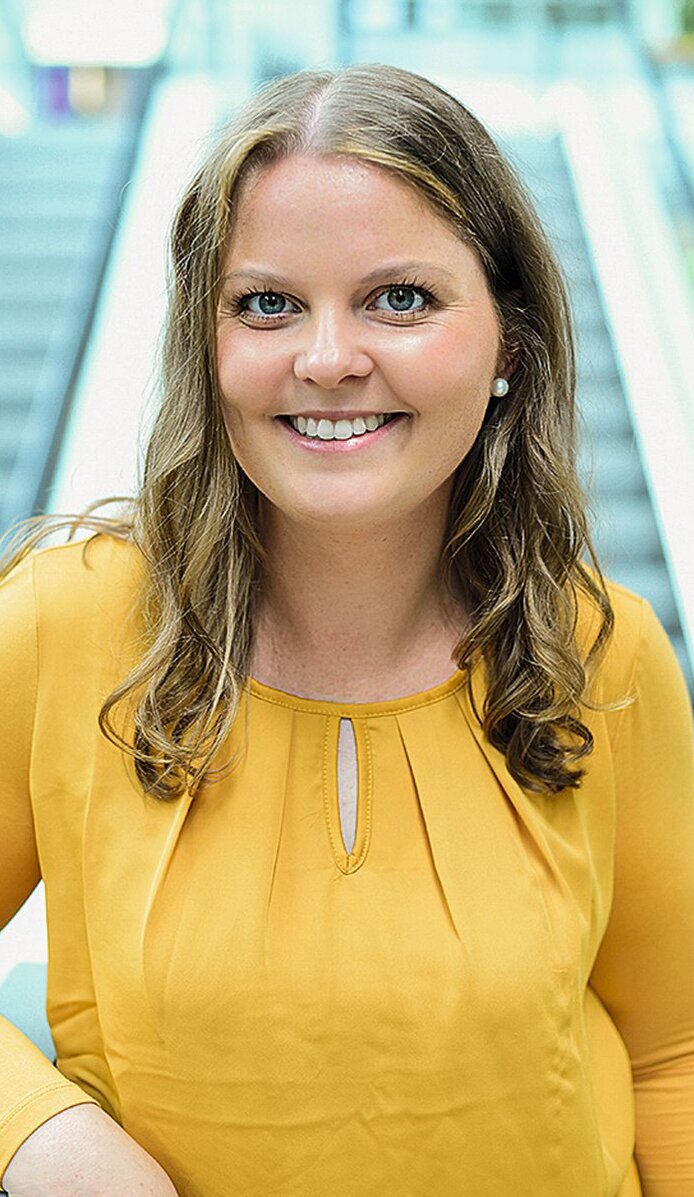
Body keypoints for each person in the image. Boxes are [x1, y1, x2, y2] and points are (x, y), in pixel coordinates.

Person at [0, 61, 692, 1197]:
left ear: (509, 340)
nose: (326, 359)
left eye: (400, 298)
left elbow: (675, 1057)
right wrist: (39, 1133)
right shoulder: (65, 623)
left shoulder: (601, 653)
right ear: (207, 342)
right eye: (267, 304)